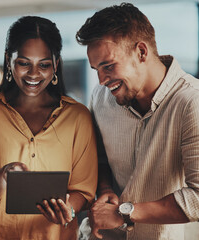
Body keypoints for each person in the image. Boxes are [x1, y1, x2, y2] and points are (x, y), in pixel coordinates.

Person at [0, 16, 98, 240]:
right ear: (8, 61)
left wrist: (67, 209)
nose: (33, 73)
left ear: (56, 65)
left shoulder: (77, 116)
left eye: (44, 64)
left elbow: (84, 190)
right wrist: (3, 176)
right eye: (23, 63)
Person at [76, 2, 199, 240]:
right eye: (96, 69)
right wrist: (105, 188)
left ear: (141, 52)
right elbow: (98, 157)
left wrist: (126, 213)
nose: (101, 80)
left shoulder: (191, 103)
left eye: (108, 66)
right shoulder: (101, 98)